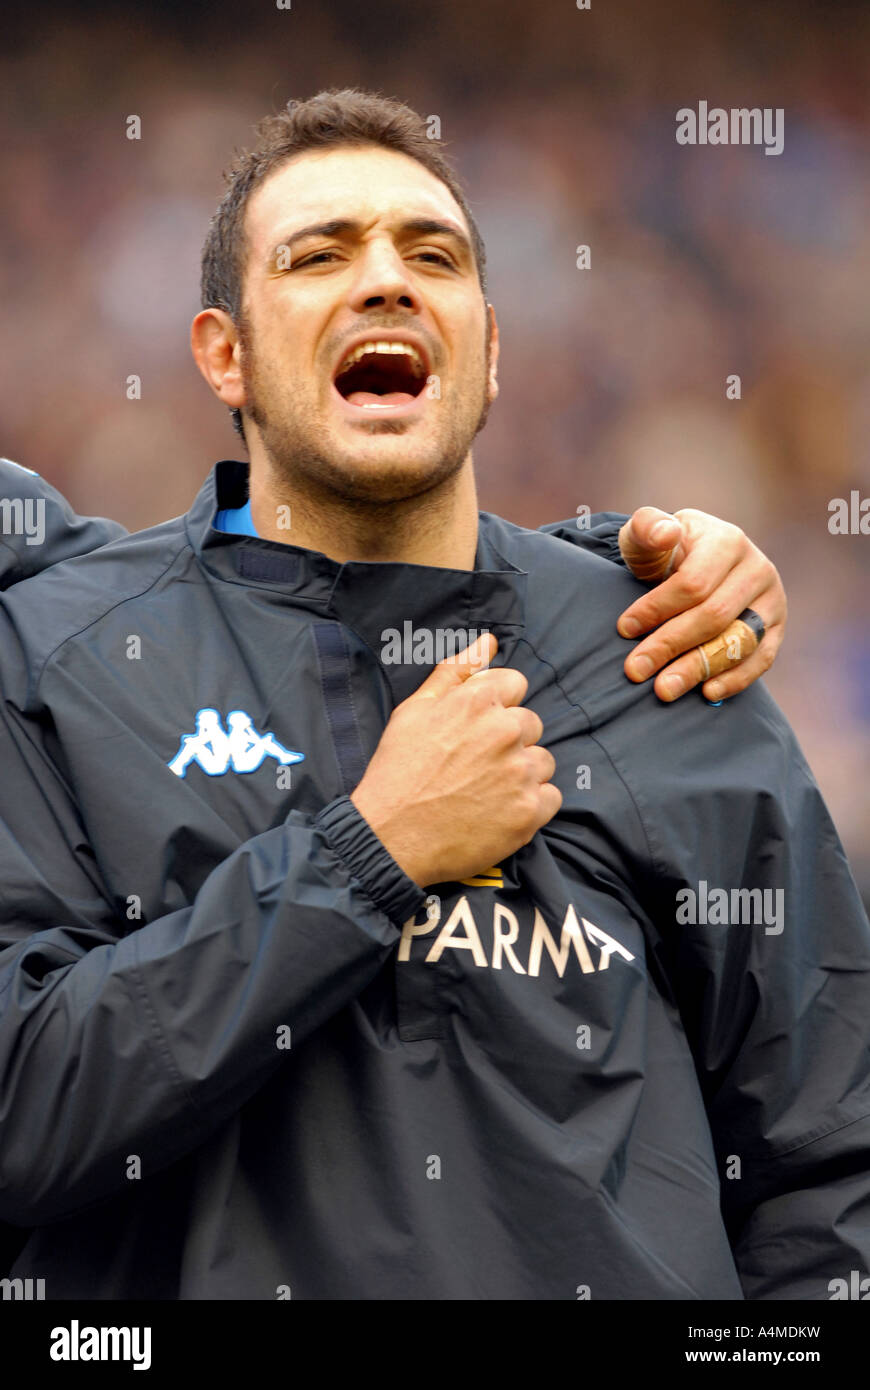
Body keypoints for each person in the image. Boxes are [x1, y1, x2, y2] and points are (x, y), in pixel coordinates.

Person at [0, 88, 866, 1301]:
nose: (389, 281)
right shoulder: (58, 661)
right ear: (222, 353)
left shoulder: (665, 644)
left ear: (491, 347)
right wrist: (371, 854)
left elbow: (827, 1163)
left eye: (432, 255)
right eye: (318, 255)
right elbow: (23, 1114)